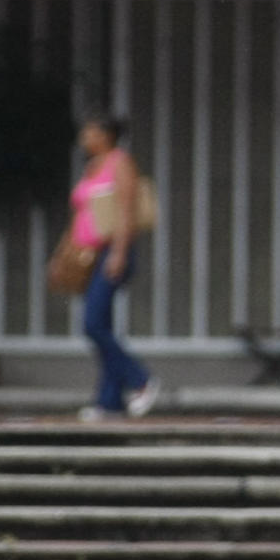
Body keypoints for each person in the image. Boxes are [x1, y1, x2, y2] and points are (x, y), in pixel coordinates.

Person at [69, 113, 158, 422]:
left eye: (90, 131)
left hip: (112, 251)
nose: (84, 136)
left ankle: (141, 380)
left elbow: (125, 212)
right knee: (101, 325)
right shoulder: (91, 167)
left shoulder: (120, 163)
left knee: (92, 324)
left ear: (105, 135)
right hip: (90, 254)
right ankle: (109, 401)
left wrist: (118, 253)